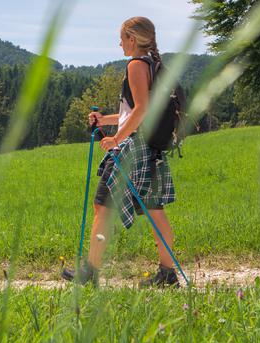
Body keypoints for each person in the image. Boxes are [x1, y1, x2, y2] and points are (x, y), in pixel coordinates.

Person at [63, 16, 179, 287]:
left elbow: (142, 109)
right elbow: (134, 112)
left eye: (122, 37)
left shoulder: (137, 65)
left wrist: (116, 138)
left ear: (132, 38)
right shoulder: (154, 65)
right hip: (150, 148)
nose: (119, 43)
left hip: (134, 149)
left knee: (102, 206)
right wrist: (105, 120)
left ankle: (89, 273)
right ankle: (168, 273)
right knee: (154, 209)